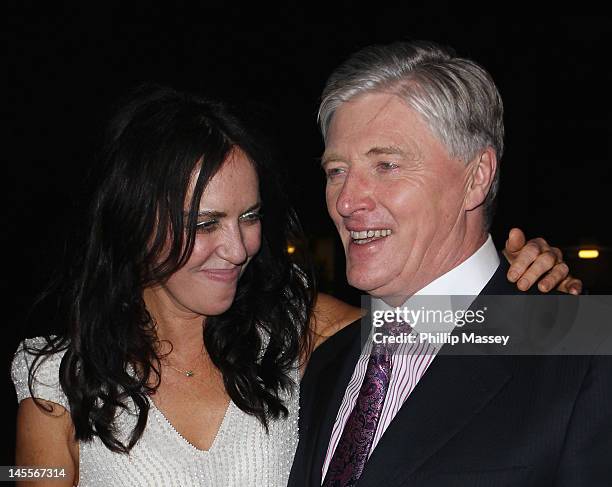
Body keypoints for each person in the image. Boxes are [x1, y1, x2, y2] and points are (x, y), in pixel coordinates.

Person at [11, 85, 577, 487]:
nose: (238, 249)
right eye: (205, 224)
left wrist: (521, 278)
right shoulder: (54, 376)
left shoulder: (286, 328)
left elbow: (442, 329)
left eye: (249, 217)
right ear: (134, 223)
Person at [289, 41, 611, 486]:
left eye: (386, 165)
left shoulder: (585, 352)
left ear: (476, 177)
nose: (346, 201)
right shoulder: (324, 367)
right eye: (336, 171)